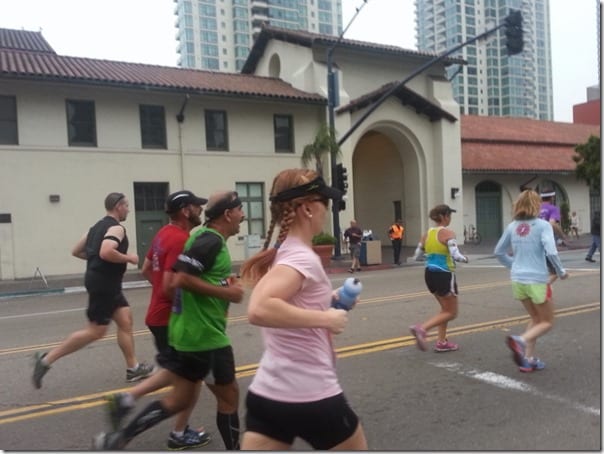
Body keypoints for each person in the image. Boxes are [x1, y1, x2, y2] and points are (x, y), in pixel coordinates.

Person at [93, 190, 246, 450]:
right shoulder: (210, 241)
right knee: (229, 397)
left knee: (179, 399)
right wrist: (227, 293)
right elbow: (178, 279)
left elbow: (186, 274)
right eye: (241, 209)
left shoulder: (198, 235)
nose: (243, 215)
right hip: (206, 337)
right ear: (229, 214)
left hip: (187, 333)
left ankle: (117, 438)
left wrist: (221, 283)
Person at [238, 168, 368, 450]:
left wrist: (328, 300)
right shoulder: (301, 257)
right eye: (326, 203)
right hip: (312, 395)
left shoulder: (286, 251)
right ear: (308, 208)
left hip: (268, 395)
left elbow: (289, 301)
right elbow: (259, 309)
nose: (327, 210)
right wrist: (325, 318)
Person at [32, 192, 154, 389]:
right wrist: (129, 258)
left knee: (125, 319)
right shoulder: (117, 228)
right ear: (118, 206)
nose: (128, 210)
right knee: (96, 331)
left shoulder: (95, 228)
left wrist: (96, 261)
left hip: (105, 282)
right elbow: (106, 251)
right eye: (126, 206)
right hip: (105, 284)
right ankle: (46, 360)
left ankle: (133, 368)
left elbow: (76, 251)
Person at [494, 189, 568, 372]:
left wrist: (514, 265)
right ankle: (521, 340)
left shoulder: (512, 226)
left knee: (535, 318)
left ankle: (527, 359)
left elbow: (498, 252)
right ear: (536, 205)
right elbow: (551, 251)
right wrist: (561, 271)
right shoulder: (543, 226)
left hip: (518, 280)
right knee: (547, 321)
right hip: (537, 279)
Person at [409, 204, 468, 352]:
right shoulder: (447, 233)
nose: (450, 219)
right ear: (443, 216)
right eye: (449, 216)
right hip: (444, 274)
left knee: (444, 309)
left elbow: (417, 255)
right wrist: (465, 259)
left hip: (430, 274)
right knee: (451, 312)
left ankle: (441, 341)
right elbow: (456, 255)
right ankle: (422, 329)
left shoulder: (427, 234)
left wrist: (432, 255)